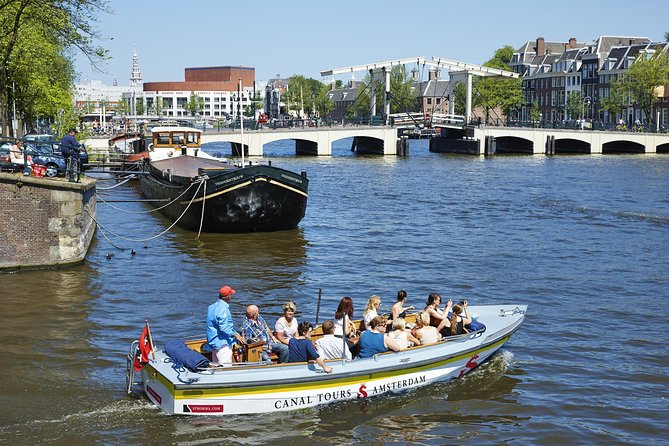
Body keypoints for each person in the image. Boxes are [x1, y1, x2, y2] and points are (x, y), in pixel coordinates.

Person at [206, 285, 244, 365]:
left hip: (213, 341)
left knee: (216, 366)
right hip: (222, 344)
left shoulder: (211, 307)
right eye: (231, 294)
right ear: (228, 296)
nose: (232, 296)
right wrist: (236, 335)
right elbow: (224, 328)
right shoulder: (223, 309)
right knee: (225, 368)